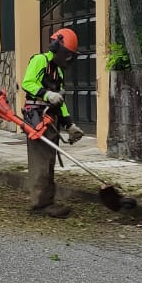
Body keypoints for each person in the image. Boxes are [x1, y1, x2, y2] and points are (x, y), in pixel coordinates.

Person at [20, 28, 85, 217]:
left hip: (52, 119)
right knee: (40, 161)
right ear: (56, 48)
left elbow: (60, 102)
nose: (69, 59)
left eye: (71, 56)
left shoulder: (59, 72)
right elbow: (28, 82)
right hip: (37, 117)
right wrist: (47, 94)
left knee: (49, 161)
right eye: (67, 55)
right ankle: (39, 205)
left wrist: (69, 124)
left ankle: (48, 201)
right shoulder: (40, 60)